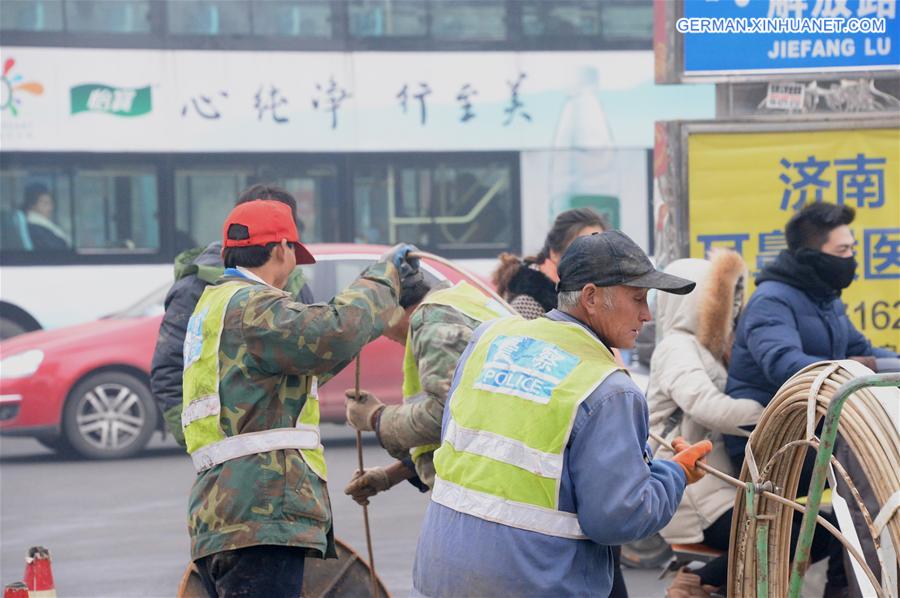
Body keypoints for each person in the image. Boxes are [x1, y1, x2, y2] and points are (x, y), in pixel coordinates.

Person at [412, 231, 711, 597]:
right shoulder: (608, 389)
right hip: (529, 583)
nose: (647, 314)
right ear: (590, 297)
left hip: (442, 573)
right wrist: (674, 473)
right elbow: (617, 518)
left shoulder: (489, 340)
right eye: (637, 298)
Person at [182, 198, 418, 597]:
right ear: (281, 249)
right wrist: (383, 279)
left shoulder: (214, 307)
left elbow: (296, 362)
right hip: (261, 512)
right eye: (293, 251)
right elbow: (332, 333)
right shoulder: (252, 304)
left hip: (223, 514)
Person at [725, 202, 898, 463]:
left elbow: (862, 350)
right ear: (811, 256)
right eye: (843, 250)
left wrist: (890, 364)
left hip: (816, 424)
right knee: (873, 450)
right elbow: (788, 367)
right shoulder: (771, 301)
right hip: (770, 438)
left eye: (852, 248)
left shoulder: (826, 298)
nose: (851, 258)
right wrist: (859, 367)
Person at [151, 184, 314, 446]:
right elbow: (169, 368)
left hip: (282, 452)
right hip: (227, 454)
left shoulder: (294, 282)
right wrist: (200, 441)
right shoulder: (196, 288)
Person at [646, 250, 764, 597]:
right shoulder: (677, 348)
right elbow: (706, 406)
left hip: (714, 486)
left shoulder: (702, 349)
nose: (731, 308)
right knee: (788, 536)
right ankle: (693, 584)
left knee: (796, 532)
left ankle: (698, 582)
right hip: (695, 493)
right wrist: (771, 414)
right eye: (721, 298)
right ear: (698, 300)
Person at [342, 276, 512, 502]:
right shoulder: (463, 303)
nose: (384, 335)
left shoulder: (432, 320)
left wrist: (377, 418)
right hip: (499, 477)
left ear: (391, 312)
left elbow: (449, 415)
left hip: (484, 491)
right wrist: (391, 475)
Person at [493, 207, 607, 319]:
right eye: (582, 248)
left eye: (599, 248)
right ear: (554, 253)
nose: (593, 257)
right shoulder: (528, 305)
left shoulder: (586, 295)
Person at [22, 183, 69, 250]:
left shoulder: (43, 226)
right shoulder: (34, 228)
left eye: (51, 203)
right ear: (32, 204)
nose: (50, 208)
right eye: (45, 203)